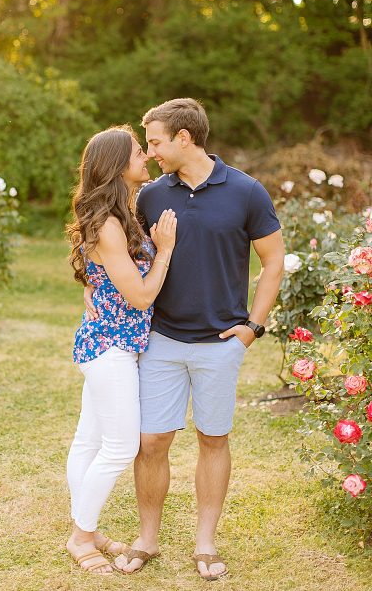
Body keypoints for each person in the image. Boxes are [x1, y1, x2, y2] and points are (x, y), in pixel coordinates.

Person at [112, 98, 284, 579]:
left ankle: (205, 543)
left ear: (184, 138)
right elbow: (116, 252)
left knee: (213, 438)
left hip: (221, 343)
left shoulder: (246, 192)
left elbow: (273, 260)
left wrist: (253, 326)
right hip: (161, 340)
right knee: (152, 442)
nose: (151, 153)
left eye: (156, 142)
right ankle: (148, 539)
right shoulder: (149, 196)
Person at [64, 125, 177, 575]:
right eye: (136, 152)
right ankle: (79, 537)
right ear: (115, 165)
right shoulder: (110, 225)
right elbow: (141, 296)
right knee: (119, 445)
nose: (145, 157)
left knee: (89, 440)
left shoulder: (120, 213)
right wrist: (164, 249)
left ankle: (86, 530)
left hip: (111, 343)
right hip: (110, 347)